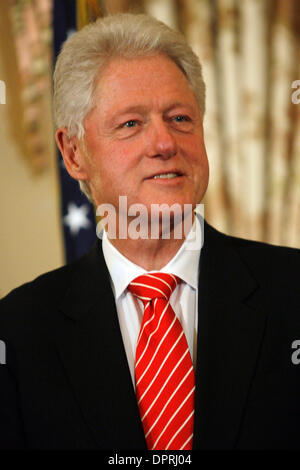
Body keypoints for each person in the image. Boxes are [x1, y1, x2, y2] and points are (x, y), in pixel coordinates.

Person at [0, 13, 300, 451]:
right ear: (74, 153)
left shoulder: (292, 290)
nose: (164, 143)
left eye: (179, 118)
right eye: (131, 124)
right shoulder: (18, 332)